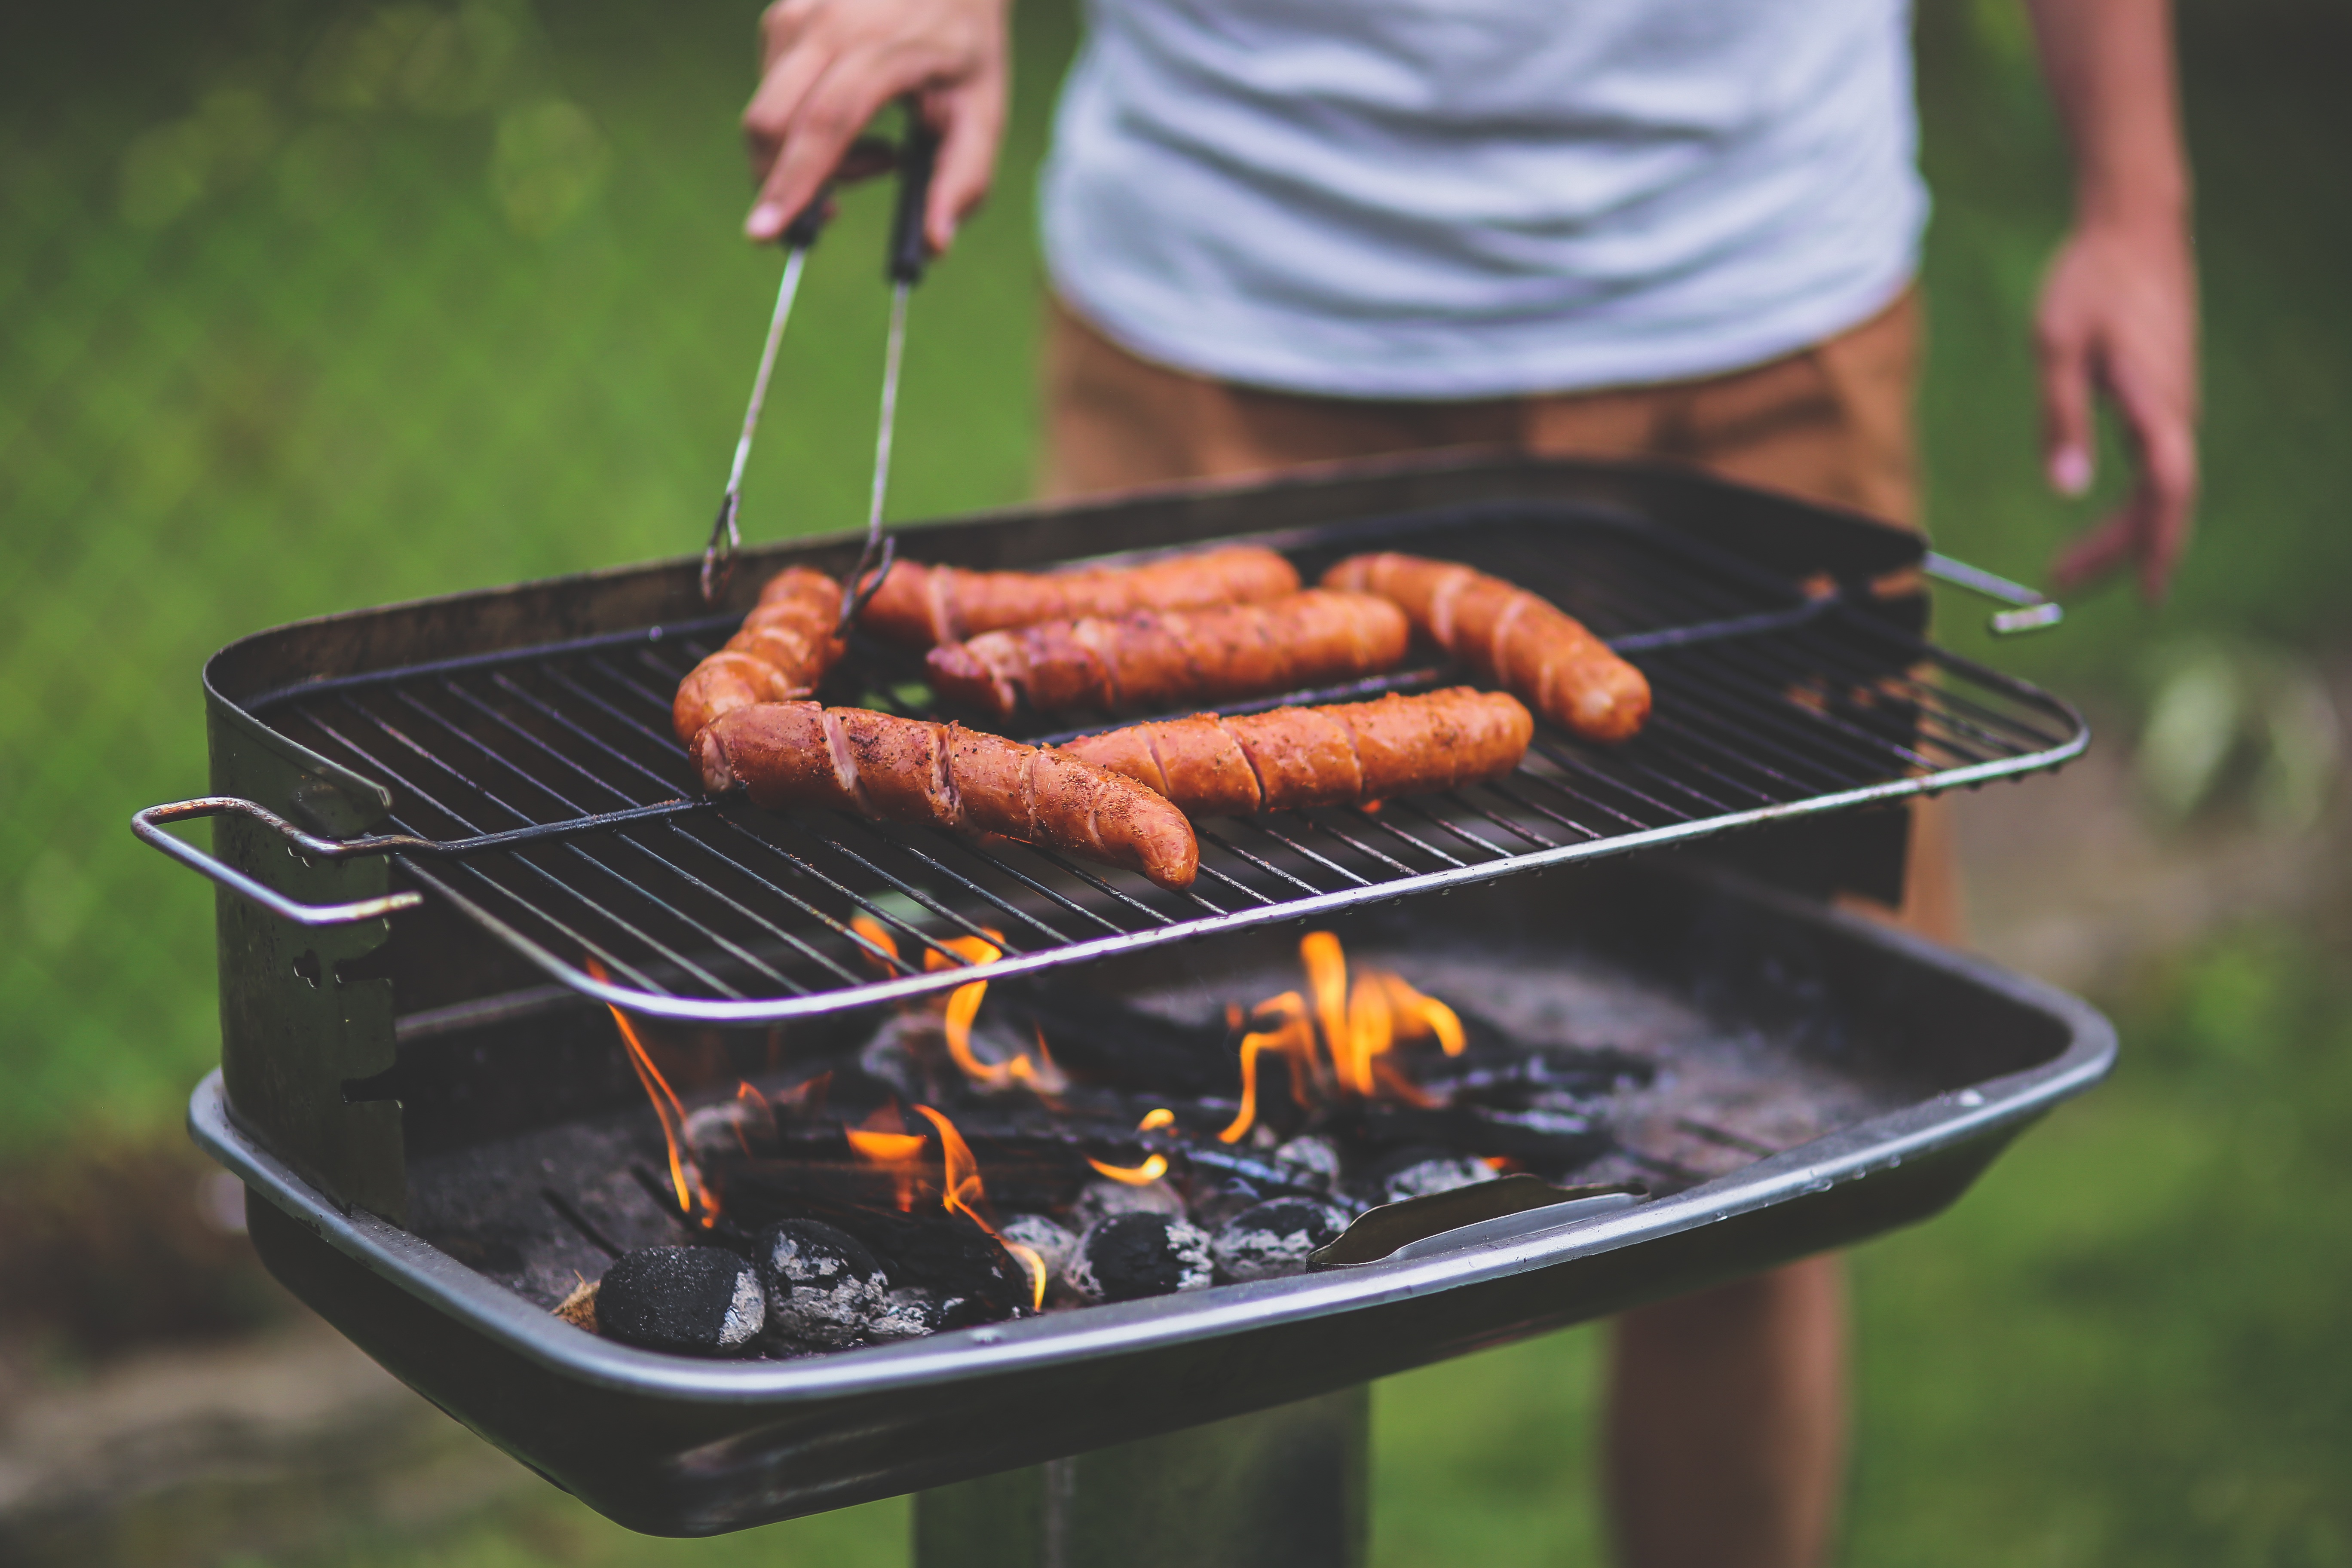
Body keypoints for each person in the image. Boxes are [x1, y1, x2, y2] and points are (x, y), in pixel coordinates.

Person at [740, 2, 2196, 1562]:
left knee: (1764, 1172)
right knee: (1130, 1177)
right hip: (1230, 287)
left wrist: (2132, 204)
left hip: (1750, 297)